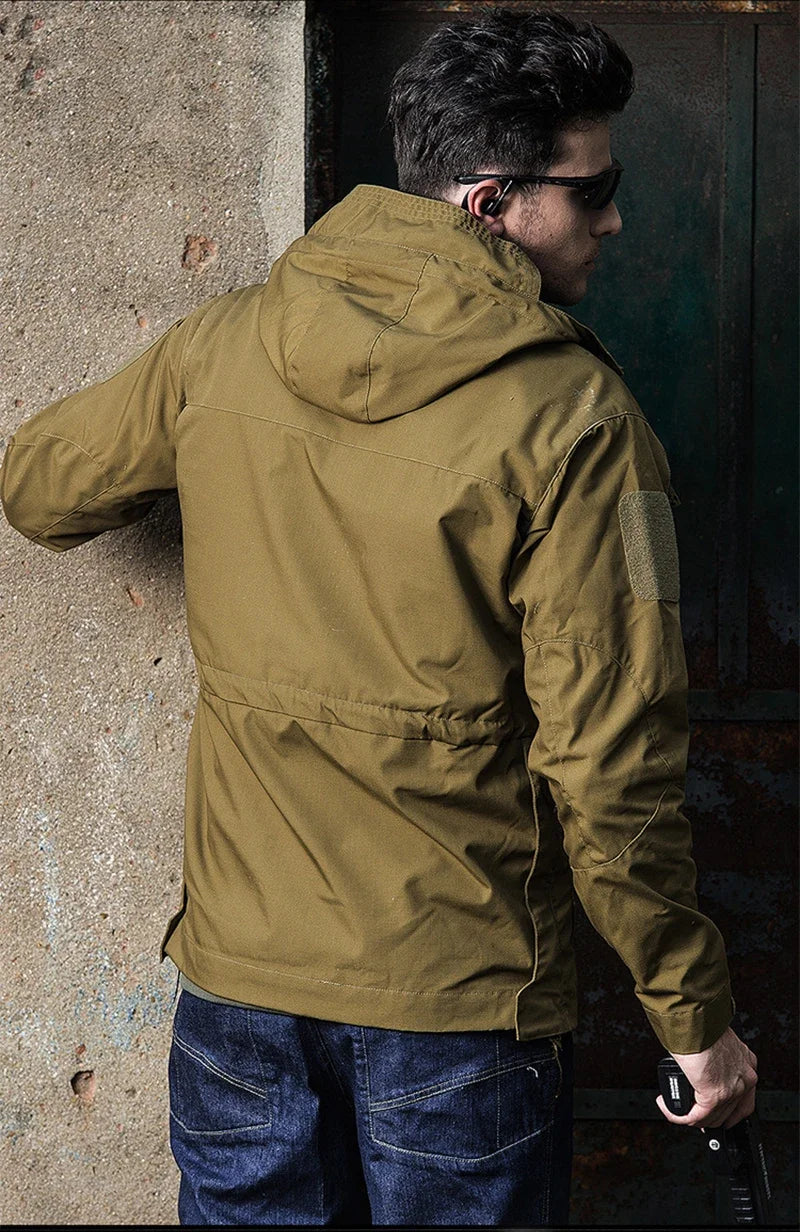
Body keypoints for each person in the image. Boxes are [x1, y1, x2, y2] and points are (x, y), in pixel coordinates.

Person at [0, 7, 758, 1227]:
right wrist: (693, 1018)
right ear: (490, 202)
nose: (612, 220)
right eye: (594, 190)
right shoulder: (579, 426)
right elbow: (611, 770)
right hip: (458, 1010)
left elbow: (40, 487)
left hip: (240, 993)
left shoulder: (227, 344)